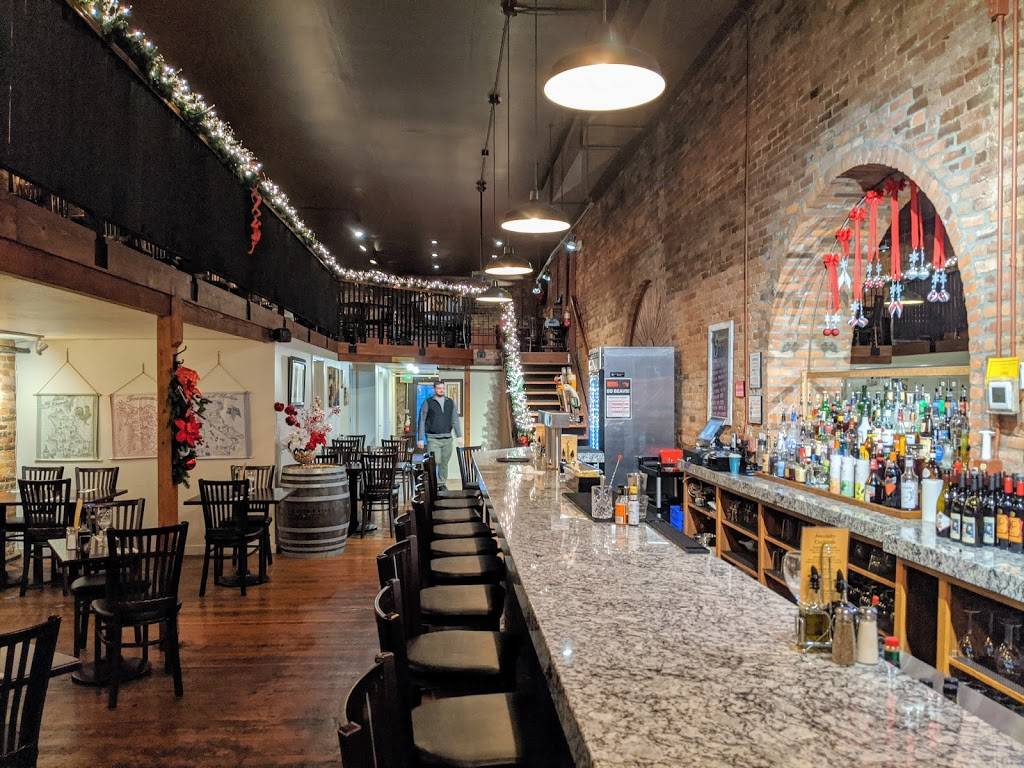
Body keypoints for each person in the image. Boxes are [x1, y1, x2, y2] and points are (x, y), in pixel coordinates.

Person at [417, 380, 462, 490]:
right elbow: (422, 420)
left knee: (444, 463)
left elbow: (455, 420)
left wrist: (459, 435)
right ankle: (432, 484)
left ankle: (441, 484)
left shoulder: (450, 402)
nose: (441, 390)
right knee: (434, 461)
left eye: (442, 388)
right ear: (434, 389)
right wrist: (420, 438)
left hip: (447, 439)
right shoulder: (428, 402)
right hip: (433, 439)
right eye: (438, 388)